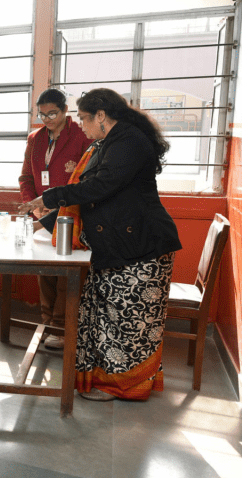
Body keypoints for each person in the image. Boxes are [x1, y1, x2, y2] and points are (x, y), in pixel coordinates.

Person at [19, 88, 182, 402]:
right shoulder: (109, 142)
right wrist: (46, 218)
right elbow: (85, 190)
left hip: (142, 246)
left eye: (83, 118)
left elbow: (99, 187)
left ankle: (123, 387)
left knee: (128, 321)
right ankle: (107, 380)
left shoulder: (129, 142)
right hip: (120, 242)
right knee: (107, 316)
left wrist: (47, 198)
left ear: (102, 116)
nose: (80, 125)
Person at [18, 89, 93, 350]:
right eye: (42, 114)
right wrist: (33, 205)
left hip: (72, 215)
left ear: (64, 111)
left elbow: (86, 182)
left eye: (52, 113)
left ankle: (61, 327)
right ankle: (48, 323)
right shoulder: (35, 139)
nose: (46, 119)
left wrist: (53, 208)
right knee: (45, 272)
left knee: (65, 274)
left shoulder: (82, 135)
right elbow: (26, 178)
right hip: (42, 214)